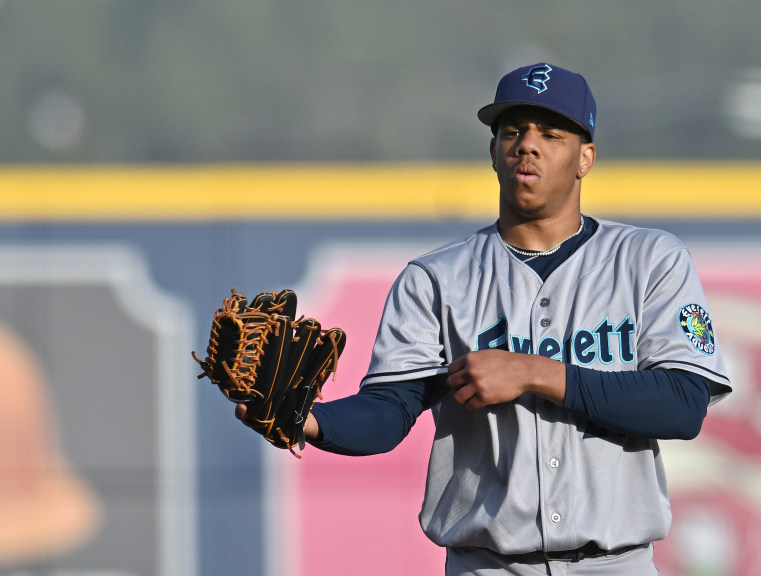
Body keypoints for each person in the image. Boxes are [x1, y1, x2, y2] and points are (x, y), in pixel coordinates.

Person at [238, 63, 732, 575]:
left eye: (550, 133)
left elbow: (682, 404)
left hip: (616, 564)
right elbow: (389, 410)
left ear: (585, 158)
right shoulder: (435, 280)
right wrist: (310, 421)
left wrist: (533, 372)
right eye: (512, 132)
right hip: (489, 566)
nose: (527, 145)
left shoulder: (649, 260)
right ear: (493, 151)